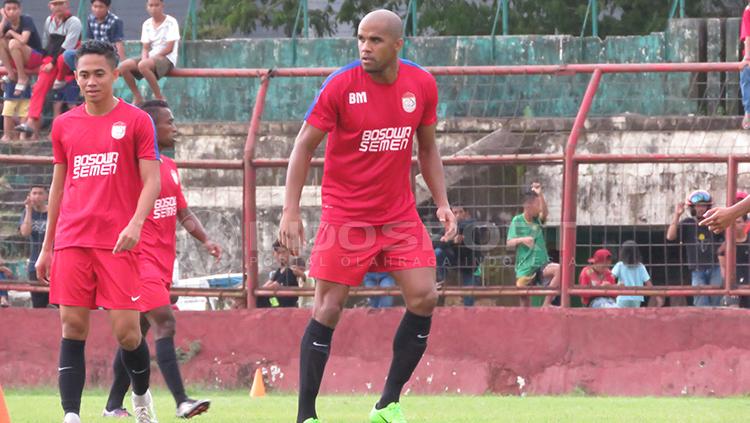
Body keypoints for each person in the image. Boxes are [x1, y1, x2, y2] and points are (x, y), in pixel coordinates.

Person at [278, 9, 456, 423]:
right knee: (327, 308)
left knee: (425, 296)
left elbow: (426, 148)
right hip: (346, 215)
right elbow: (303, 146)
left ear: (398, 45)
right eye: (360, 38)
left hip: (399, 216)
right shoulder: (340, 85)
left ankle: (387, 404)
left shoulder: (421, 85)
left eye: (375, 40)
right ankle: (306, 416)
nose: (364, 47)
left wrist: (442, 201)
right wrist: (291, 210)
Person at [34, 40, 160, 423]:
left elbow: (151, 181)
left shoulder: (138, 121)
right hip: (72, 239)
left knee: (128, 334)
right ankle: (71, 415)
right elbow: (58, 187)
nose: (90, 82)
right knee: (72, 327)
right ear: (76, 77)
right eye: (83, 75)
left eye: (99, 74)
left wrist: (136, 223)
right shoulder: (64, 125)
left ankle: (140, 399)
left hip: (118, 243)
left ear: (115, 75)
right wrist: (47, 247)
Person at [102, 99, 216, 419]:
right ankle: (181, 401)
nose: (175, 127)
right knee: (165, 321)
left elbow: (183, 212)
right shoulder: (133, 168)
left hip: (162, 262)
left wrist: (206, 240)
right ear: (151, 127)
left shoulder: (169, 166)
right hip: (139, 260)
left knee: (134, 333)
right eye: (169, 121)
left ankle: (113, 405)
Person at [15, 0, 81, 139]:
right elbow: (47, 43)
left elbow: (68, 46)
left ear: (67, 4)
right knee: (39, 87)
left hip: (67, 65)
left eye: (60, 3)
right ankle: (31, 121)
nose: (57, 7)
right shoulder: (48, 21)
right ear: (50, 6)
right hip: (51, 61)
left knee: (70, 104)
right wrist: (45, 62)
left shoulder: (74, 21)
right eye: (54, 4)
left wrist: (51, 62)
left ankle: (60, 79)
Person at [506, 184, 560, 307]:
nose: (539, 208)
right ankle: (525, 321)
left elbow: (545, 213)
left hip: (541, 264)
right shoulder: (517, 221)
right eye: (536, 204)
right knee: (524, 300)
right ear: (527, 205)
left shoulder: (537, 220)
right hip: (525, 267)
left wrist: (540, 194)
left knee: (559, 269)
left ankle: (546, 304)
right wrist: (522, 239)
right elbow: (509, 243)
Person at [666, 190, 723, 306]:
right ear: (692, 208)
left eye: (703, 205)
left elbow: (727, 238)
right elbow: (670, 236)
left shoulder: (714, 221)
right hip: (697, 270)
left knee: (717, 301)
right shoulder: (687, 223)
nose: (700, 209)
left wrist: (720, 250)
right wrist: (677, 215)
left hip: (715, 267)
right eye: (697, 206)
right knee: (701, 303)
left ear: (708, 207)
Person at [118, 0, 179, 105]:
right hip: (152, 57)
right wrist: (145, 58)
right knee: (123, 66)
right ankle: (137, 97)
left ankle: (159, 96)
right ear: (147, 7)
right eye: (151, 5)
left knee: (143, 65)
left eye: (156, 5)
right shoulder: (146, 24)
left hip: (167, 58)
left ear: (162, 6)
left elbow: (170, 48)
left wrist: (150, 60)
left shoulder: (171, 22)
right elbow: (145, 47)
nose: (154, 8)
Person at [434, 206, 481, 306]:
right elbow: (435, 242)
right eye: (455, 212)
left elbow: (470, 223)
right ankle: (442, 279)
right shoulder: (449, 227)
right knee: (438, 252)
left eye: (461, 212)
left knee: (469, 297)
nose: (458, 215)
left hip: (470, 265)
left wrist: (451, 232)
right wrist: (452, 241)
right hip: (453, 260)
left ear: (466, 213)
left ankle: (468, 316)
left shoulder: (472, 226)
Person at [62, 0, 125, 72]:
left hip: (108, 54)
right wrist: (84, 51)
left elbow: (118, 43)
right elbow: (90, 40)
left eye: (101, 7)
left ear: (107, 7)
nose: (97, 10)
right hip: (94, 51)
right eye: (95, 6)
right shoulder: (90, 19)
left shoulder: (115, 21)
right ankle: (82, 74)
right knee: (68, 54)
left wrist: (122, 63)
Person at [0, 0, 43, 96]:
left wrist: (11, 32)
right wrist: (3, 18)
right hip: (18, 59)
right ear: (4, 11)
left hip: (35, 57)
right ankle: (11, 74)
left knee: (13, 42)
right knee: (1, 42)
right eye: (8, 9)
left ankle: (22, 77)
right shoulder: (7, 24)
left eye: (14, 9)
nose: (12, 12)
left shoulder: (26, 20)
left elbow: (23, 40)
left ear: (20, 10)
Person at [18, 185, 48, 308]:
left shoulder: (54, 210)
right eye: (34, 193)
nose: (37, 196)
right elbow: (25, 232)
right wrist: (29, 210)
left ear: (46, 196)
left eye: (40, 193)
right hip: (34, 263)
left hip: (53, 262)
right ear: (29, 196)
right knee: (38, 303)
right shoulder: (27, 213)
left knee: (57, 302)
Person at [612, 241, 658, 308]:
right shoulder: (641, 266)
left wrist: (616, 286)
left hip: (622, 297)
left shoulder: (619, 265)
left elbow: (610, 279)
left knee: (621, 317)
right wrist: (654, 294)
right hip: (637, 297)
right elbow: (649, 285)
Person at [257, 240, 299, 308]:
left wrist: (254, 292)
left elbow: (273, 286)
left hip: (285, 306)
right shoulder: (279, 270)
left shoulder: (290, 270)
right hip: (276, 303)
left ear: (289, 252)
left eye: (283, 252)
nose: (280, 255)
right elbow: (267, 285)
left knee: (258, 299)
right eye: (278, 253)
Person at [741, 0, 750, 129]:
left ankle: (748, 113)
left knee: (745, 79)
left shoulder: (748, 11)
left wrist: (747, 58)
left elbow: (748, 37)